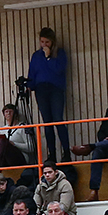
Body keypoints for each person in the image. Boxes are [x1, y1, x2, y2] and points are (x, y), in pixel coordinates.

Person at [27, 27, 69, 160]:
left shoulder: (59, 53)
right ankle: (52, 154)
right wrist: (29, 86)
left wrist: (49, 57)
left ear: (52, 42)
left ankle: (66, 152)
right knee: (47, 123)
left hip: (55, 89)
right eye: (42, 42)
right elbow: (32, 73)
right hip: (41, 90)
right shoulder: (36, 56)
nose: (44, 45)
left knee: (58, 120)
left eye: (47, 42)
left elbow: (59, 70)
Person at [0, 103, 33, 168]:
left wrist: (14, 144)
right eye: (6, 112)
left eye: (10, 112)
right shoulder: (2, 130)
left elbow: (31, 147)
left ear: (15, 114)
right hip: (4, 158)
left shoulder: (22, 127)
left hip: (19, 157)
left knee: (3, 141)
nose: (8, 114)